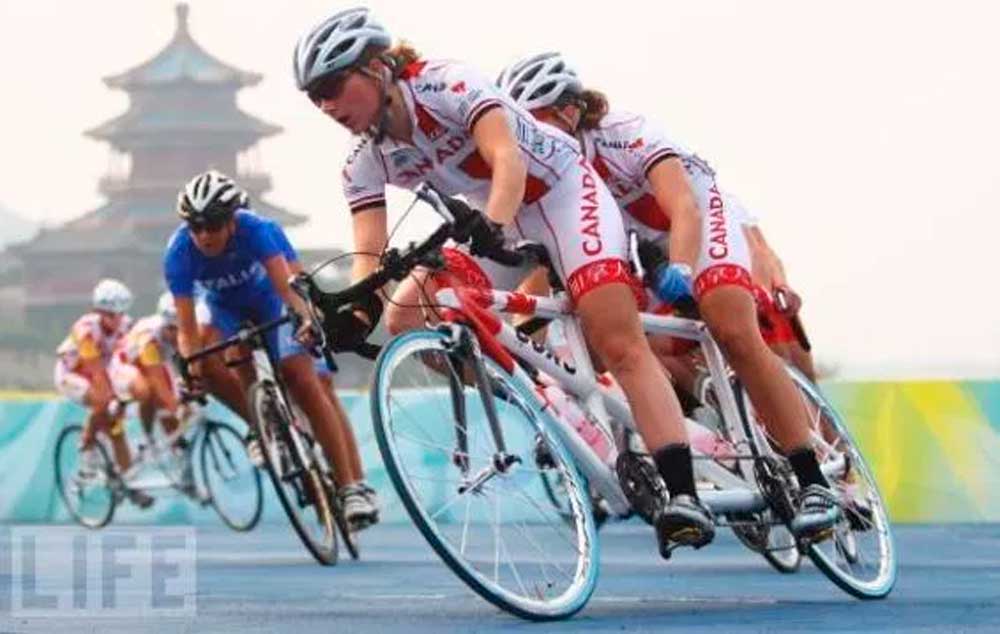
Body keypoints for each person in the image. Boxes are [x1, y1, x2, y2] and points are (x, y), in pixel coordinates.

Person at [293, 6, 716, 554]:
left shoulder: (445, 82)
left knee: (618, 340)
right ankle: (524, 387)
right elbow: (368, 254)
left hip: (559, 193)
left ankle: (684, 495)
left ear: (377, 68)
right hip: (491, 213)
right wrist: (351, 311)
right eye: (314, 97)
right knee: (404, 316)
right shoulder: (363, 162)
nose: (326, 106)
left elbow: (506, 158)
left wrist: (491, 228)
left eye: (332, 86)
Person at [496, 52, 839, 539]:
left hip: (694, 219)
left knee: (733, 330)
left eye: (542, 120)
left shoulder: (625, 131)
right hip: (639, 241)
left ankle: (813, 480)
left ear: (572, 110)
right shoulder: (551, 169)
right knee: (606, 328)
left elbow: (681, 206)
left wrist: (681, 268)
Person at [163, 170, 378, 528]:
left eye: (213, 225)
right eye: (195, 227)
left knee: (303, 380)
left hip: (272, 300)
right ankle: (260, 426)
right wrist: (190, 369)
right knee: (204, 363)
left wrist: (307, 321)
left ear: (232, 220)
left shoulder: (258, 229)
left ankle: (351, 487)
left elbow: (290, 288)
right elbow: (186, 331)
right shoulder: (178, 254)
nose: (204, 235)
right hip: (225, 309)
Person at [54, 278, 152, 507]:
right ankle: (86, 448)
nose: (117, 319)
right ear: (98, 312)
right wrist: (114, 400)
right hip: (73, 374)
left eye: (120, 313)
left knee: (116, 429)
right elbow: (97, 373)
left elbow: (132, 361)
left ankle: (129, 482)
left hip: (101, 372)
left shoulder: (127, 325)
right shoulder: (85, 330)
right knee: (102, 399)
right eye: (110, 315)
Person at [107, 292, 194, 491]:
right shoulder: (150, 340)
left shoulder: (179, 332)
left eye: (179, 329)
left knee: (171, 405)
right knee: (148, 391)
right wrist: (177, 407)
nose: (176, 334)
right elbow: (158, 381)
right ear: (163, 326)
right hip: (124, 365)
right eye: (171, 329)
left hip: (153, 364)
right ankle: (148, 438)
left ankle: (181, 465)